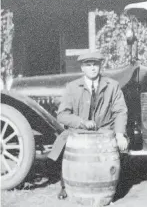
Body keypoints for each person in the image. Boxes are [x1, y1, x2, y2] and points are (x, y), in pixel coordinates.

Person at [48, 51, 128, 198]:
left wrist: (119, 134)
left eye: (95, 65)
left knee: (118, 153)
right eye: (88, 65)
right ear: (82, 68)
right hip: (78, 133)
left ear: (100, 66)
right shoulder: (72, 87)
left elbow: (120, 111)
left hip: (104, 132)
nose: (92, 68)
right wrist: (81, 122)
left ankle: (110, 186)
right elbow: (62, 115)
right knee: (66, 149)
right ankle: (65, 186)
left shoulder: (112, 86)